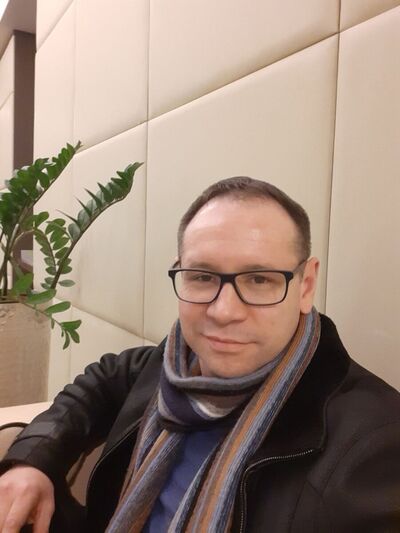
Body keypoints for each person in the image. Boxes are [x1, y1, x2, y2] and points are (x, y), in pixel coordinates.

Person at [0, 177, 399, 533]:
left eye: (259, 279)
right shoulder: (173, 363)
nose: (223, 311)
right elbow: (99, 382)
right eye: (203, 276)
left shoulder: (374, 448)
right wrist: (33, 461)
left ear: (306, 285)